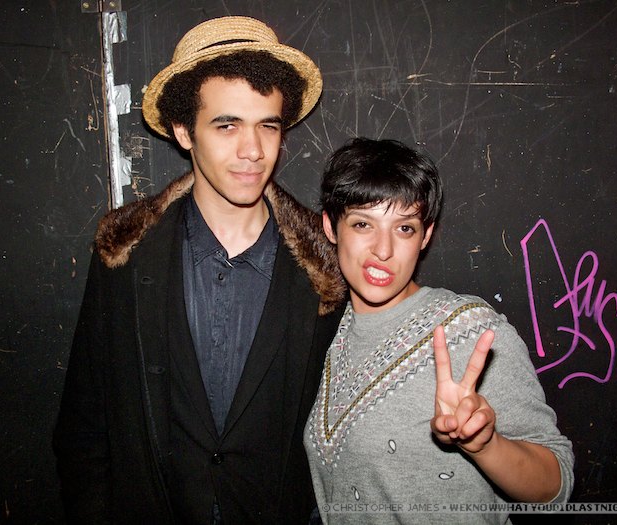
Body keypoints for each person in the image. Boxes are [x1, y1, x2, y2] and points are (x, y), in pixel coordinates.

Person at [53, 16, 347, 524]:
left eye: (268, 125)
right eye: (227, 125)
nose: (253, 150)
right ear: (183, 131)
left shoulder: (324, 274)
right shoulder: (125, 258)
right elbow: (85, 425)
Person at [304, 138, 574, 524]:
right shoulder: (327, 333)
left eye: (404, 228)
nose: (383, 249)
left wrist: (485, 446)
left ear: (425, 236)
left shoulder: (469, 330)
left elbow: (555, 484)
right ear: (331, 226)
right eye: (363, 224)